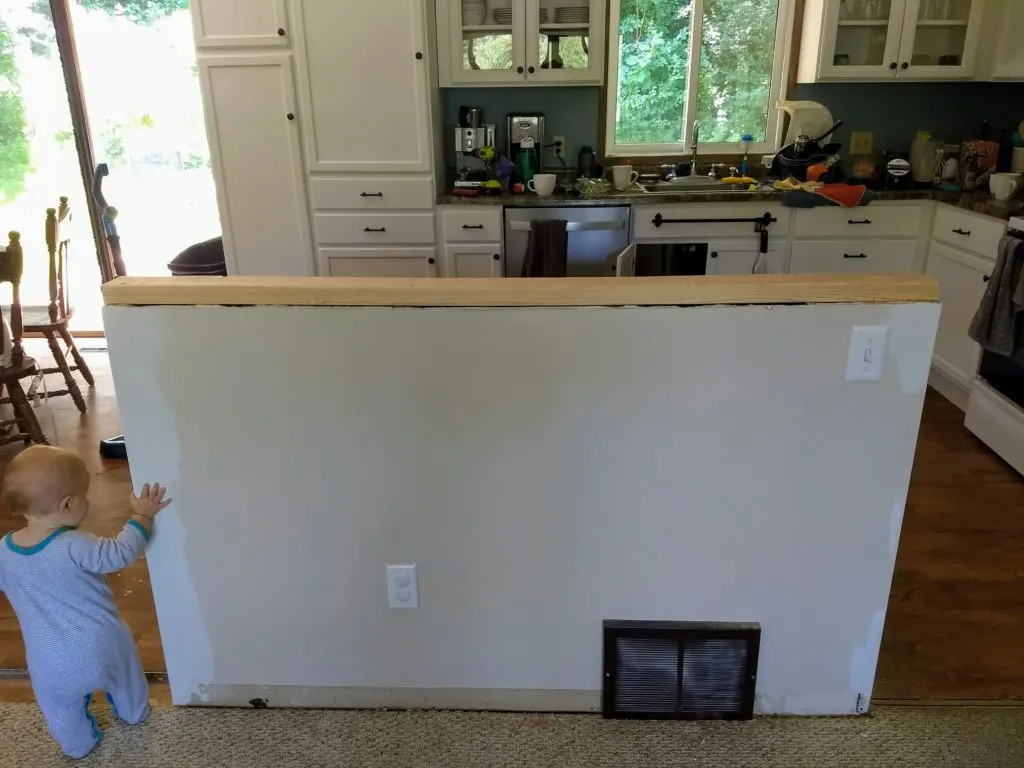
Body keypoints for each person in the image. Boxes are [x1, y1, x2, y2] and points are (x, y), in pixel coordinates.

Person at [0, 445, 170, 759]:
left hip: (48, 662)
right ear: (67, 504)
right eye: (84, 496)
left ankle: (78, 745)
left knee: (60, 708)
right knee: (125, 676)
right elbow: (120, 552)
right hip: (103, 646)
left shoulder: (4, 551)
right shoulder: (76, 544)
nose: (88, 503)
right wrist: (142, 516)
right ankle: (135, 712)